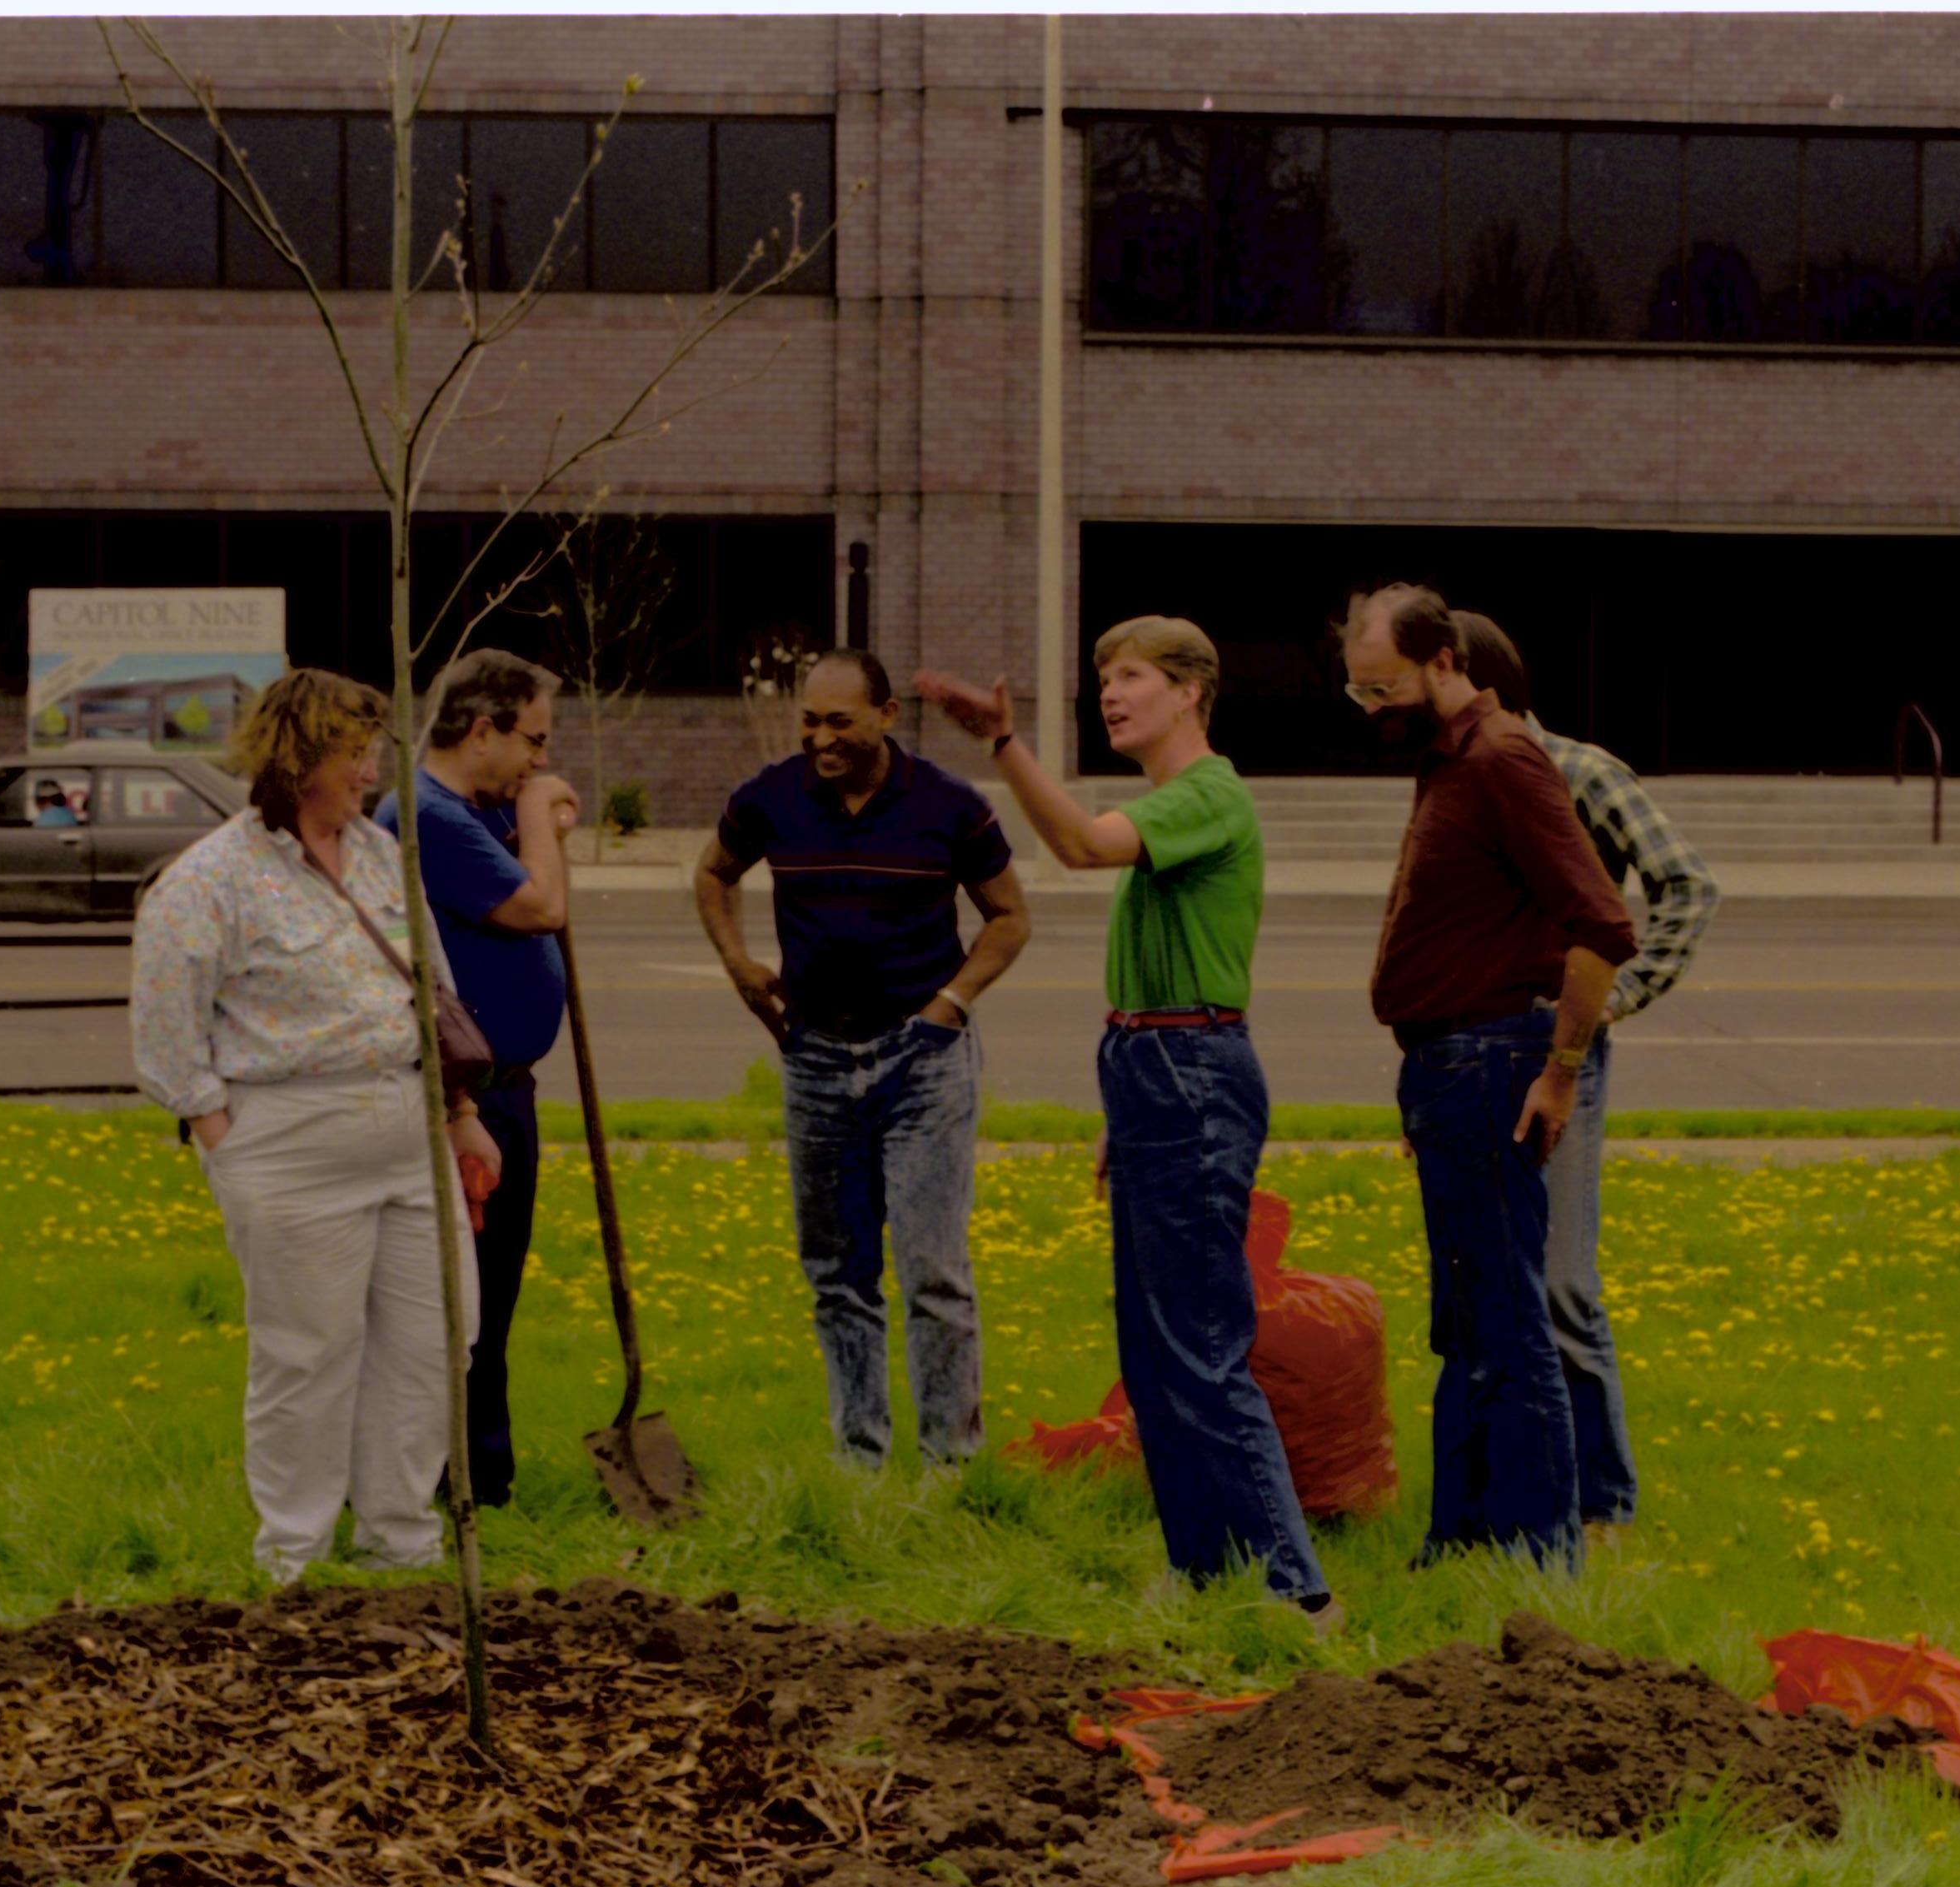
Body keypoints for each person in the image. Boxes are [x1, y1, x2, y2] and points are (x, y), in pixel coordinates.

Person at [915, 622, 1339, 1632]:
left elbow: (1075, 846)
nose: (1110, 694)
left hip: (1191, 1069)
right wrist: (1127, 1105)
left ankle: (1295, 1591)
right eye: (1103, 679)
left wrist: (1006, 747)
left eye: (1133, 677)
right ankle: (1206, 1570)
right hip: (1155, 1069)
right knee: (1151, 1355)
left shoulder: (1208, 795)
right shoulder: (1171, 805)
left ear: (1191, 690)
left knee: (1199, 1346)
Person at [131, 667, 504, 1581]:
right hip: (289, 1140)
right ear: (300, 759)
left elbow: (435, 988)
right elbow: (165, 1029)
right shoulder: (211, 879)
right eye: (355, 753)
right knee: (308, 1353)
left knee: (433, 1340)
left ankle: (400, 1541)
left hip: (409, 1125)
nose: (372, 771)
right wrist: (224, 1135)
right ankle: (292, 1556)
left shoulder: (380, 855)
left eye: (373, 750)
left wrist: (460, 1114)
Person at [1340, 583, 1638, 1571]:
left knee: (1507, 1317)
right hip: (1446, 1066)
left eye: (1384, 690)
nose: (1373, 712)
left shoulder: (1504, 760)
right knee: (1465, 1319)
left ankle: (1546, 1551)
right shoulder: (1447, 761)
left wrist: (1559, 1071)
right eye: (1359, 695)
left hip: (1491, 1059)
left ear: (1445, 664)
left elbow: (1603, 924)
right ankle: (1461, 1540)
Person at [696, 650, 1030, 1470]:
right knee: (838, 1275)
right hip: (813, 1056)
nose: (820, 738)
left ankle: (953, 1466)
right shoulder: (772, 797)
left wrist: (949, 1005)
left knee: (932, 1274)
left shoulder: (948, 807)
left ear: (885, 715)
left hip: (922, 1061)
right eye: (810, 720)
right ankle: (860, 1462)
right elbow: (713, 871)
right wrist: (738, 964)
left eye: (839, 720)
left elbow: (1009, 918)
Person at [1450, 611, 1718, 1545]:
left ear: (1471, 679)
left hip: (1558, 1048)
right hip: (1472, 1051)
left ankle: (1603, 1504)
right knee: (1492, 1282)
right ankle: (1506, 1492)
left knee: (1562, 1282)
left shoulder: (1579, 770)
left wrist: (1618, 997)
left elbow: (1686, 882)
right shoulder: (1458, 777)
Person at [373, 648, 581, 1510]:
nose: (539, 760)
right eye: (532, 742)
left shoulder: (475, 810)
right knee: (460, 1297)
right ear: (483, 730)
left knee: (491, 1293)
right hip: (469, 1096)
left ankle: (480, 1472)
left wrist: (536, 818)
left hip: (507, 1086)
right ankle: (449, 1476)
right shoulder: (427, 818)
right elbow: (542, 906)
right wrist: (538, 810)